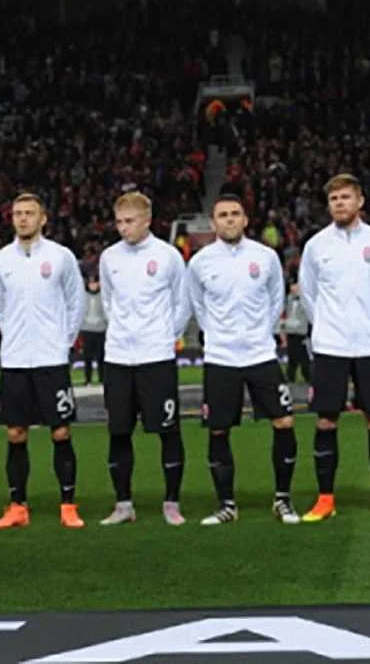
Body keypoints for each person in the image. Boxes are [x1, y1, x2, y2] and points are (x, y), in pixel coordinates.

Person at [298, 173, 370, 522]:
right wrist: (327, 325)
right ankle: (325, 499)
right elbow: (309, 294)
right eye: (334, 199)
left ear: (360, 201)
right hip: (331, 346)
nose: (339, 203)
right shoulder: (316, 246)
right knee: (326, 420)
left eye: (345, 197)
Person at [187, 193, 300, 525]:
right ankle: (226, 505)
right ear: (213, 222)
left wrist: (260, 332)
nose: (229, 219)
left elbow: (275, 298)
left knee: (284, 422)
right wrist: (218, 335)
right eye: (223, 215)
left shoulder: (265, 257)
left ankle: (283, 500)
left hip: (260, 353)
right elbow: (198, 305)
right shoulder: (200, 262)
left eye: (235, 213)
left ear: (245, 219)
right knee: (218, 429)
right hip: (221, 357)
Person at [0, 193, 86, 529]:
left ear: (43, 218)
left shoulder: (61, 256)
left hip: (50, 359)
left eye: (29, 213)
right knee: (16, 433)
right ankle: (17, 506)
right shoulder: (0, 260)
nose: (23, 218)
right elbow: (0, 307)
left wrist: (62, 342)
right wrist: (15, 338)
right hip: (15, 360)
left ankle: (68, 505)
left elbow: (76, 302)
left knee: (60, 431)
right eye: (17, 213)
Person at [97, 191, 190, 526]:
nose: (123, 228)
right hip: (118, 357)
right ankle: (124, 504)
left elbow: (182, 302)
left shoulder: (168, 256)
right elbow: (108, 303)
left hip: (156, 357)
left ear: (147, 220)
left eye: (130, 221)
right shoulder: (109, 257)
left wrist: (164, 337)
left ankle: (172, 502)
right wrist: (124, 333)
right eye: (119, 222)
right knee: (119, 431)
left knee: (168, 430)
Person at [280, 280, 312, 383]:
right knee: (292, 360)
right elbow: (285, 315)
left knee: (304, 360)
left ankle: (309, 378)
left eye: (295, 286)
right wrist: (283, 330)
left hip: (301, 333)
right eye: (292, 286)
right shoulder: (288, 299)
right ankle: (290, 380)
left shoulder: (305, 300)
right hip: (291, 332)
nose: (293, 288)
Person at [79, 276, 107, 385]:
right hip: (87, 329)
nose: (93, 285)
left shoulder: (102, 296)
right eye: (91, 283)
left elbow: (106, 311)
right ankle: (87, 379)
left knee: (101, 356)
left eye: (95, 283)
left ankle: (102, 378)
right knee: (87, 356)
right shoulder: (84, 296)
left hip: (100, 329)